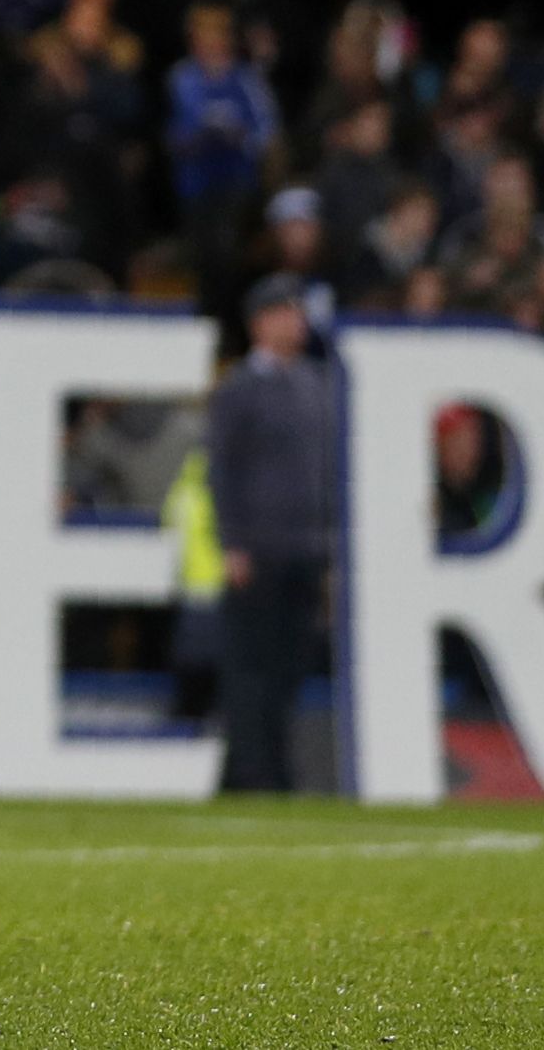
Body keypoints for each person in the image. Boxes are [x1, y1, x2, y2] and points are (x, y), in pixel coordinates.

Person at [208, 272, 335, 792]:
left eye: (299, 312)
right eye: (285, 312)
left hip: (305, 549)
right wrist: (232, 541)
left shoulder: (317, 384)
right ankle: (254, 772)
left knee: (290, 669)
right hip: (257, 549)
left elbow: (328, 471)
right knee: (250, 668)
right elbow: (222, 467)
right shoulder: (239, 388)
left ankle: (269, 772)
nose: (296, 322)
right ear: (259, 321)